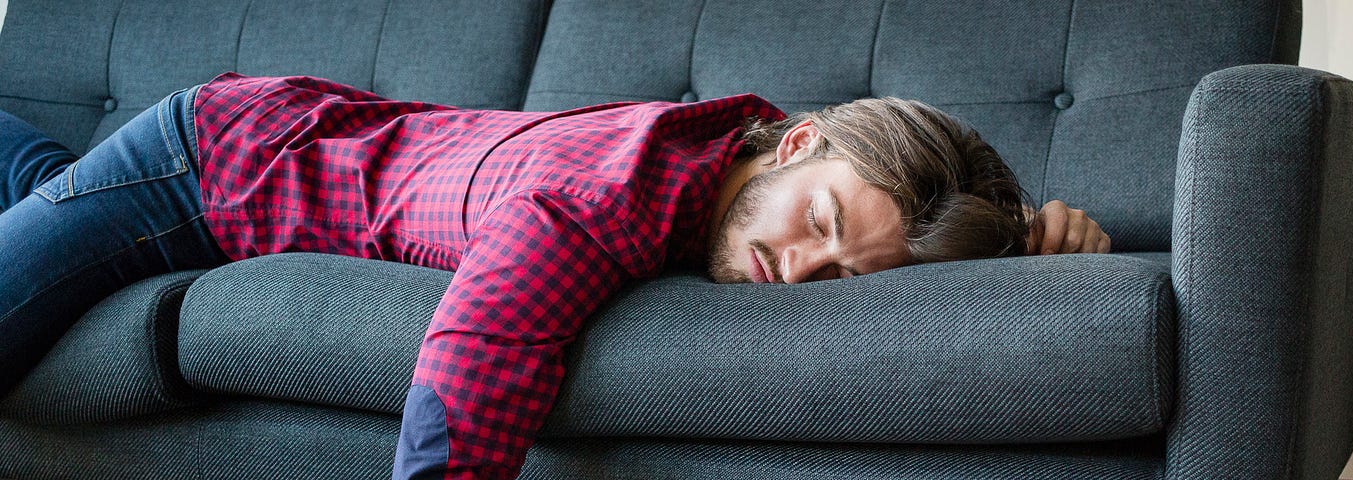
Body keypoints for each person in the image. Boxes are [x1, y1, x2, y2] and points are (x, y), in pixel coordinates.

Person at [0, 73, 1110, 479]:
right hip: (201, 169)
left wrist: (1031, 239)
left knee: (43, 197)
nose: (798, 267)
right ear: (794, 143)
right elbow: (481, 348)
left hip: (307, 131)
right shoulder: (606, 197)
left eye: (837, 275)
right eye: (818, 222)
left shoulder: (732, 167)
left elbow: (921, 242)